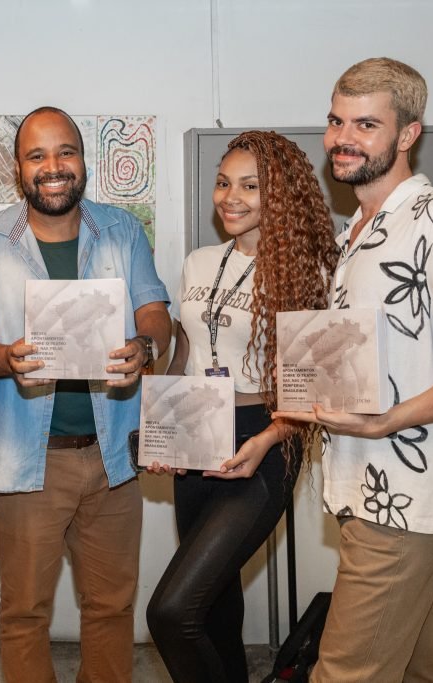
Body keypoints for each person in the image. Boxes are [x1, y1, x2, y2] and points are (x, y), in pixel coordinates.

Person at [274, 57, 433, 682]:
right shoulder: (356, 233)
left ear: (408, 134)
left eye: (366, 124)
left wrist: (391, 420)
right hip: (366, 488)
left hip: (406, 496)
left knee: (341, 675)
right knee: (422, 673)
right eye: (336, 121)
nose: (343, 138)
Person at [0, 106, 171, 682]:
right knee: (25, 611)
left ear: (83, 160)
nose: (53, 167)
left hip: (112, 459)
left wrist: (146, 348)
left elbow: (155, 310)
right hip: (27, 458)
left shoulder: (123, 230)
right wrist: (7, 358)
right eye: (37, 155)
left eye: (64, 153)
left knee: (111, 607)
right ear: (18, 169)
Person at [145, 130, 339, 682]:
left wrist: (268, 438)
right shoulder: (201, 261)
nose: (231, 196)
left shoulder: (312, 271)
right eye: (224, 183)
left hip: (264, 436)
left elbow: (312, 387)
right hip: (197, 428)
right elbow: (187, 348)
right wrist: (167, 427)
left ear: (280, 193)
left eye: (251, 186)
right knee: (212, 611)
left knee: (172, 610)